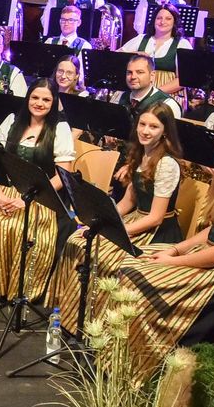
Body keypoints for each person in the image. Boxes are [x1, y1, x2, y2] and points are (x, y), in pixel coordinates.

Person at [116, 126, 214, 378]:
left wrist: (172, 262)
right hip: (211, 256)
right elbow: (212, 232)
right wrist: (176, 249)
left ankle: (143, 367)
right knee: (133, 264)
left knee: (138, 281)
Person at [52, 103, 184, 329]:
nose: (145, 130)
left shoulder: (167, 164)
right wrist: (99, 222)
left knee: (106, 257)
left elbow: (155, 217)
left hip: (156, 232)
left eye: (153, 126)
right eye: (142, 124)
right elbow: (128, 202)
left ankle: (99, 322)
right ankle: (73, 316)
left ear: (165, 131)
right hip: (135, 220)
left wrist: (112, 232)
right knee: (77, 239)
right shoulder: (141, 154)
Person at [0, 77, 76, 301]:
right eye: (35, 97)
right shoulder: (12, 121)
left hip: (42, 195)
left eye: (46, 99)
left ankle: (21, 290)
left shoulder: (60, 129)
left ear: (53, 102)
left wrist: (26, 200)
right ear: (28, 98)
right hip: (5, 190)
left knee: (22, 228)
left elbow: (63, 176)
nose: (39, 103)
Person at [119, 3, 191, 95]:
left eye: (168, 19)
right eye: (159, 18)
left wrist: (153, 93)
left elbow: (183, 79)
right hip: (136, 90)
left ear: (174, 22)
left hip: (166, 94)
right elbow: (117, 56)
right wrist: (136, 54)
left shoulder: (182, 44)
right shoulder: (141, 39)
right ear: (153, 20)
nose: (162, 22)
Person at [111, 53, 182, 118]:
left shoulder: (168, 104)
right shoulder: (119, 97)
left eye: (139, 72)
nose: (133, 77)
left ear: (152, 76)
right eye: (129, 72)